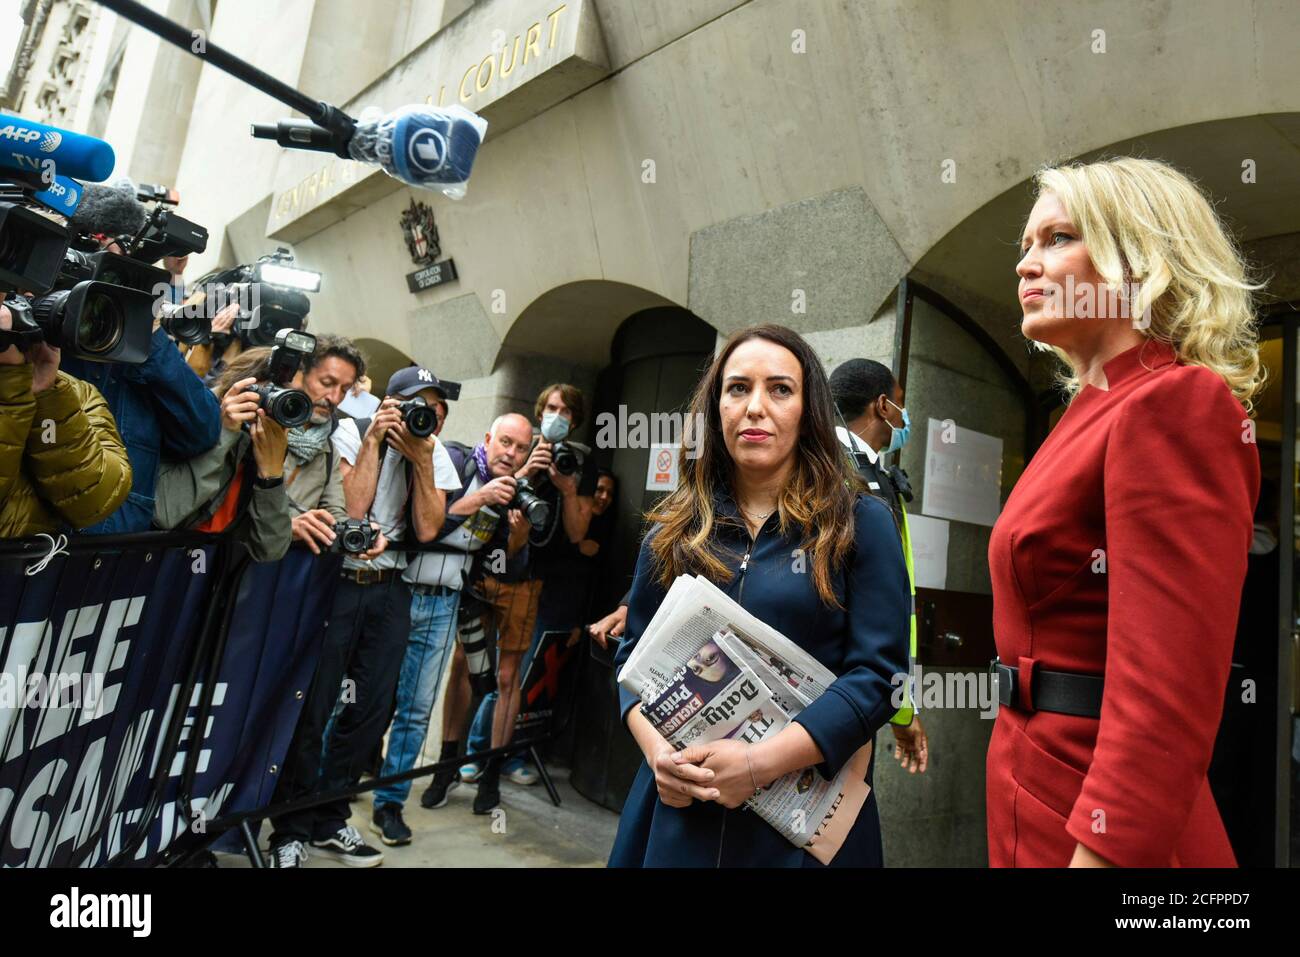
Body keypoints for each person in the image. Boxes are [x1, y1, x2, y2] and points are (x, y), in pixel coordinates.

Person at [988, 157, 1261, 868]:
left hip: (1096, 817)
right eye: (1025, 245)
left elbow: (1168, 696)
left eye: (1056, 238)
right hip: (1034, 779)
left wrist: (1102, 855)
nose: (1026, 263)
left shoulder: (1175, 402)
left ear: (1137, 258)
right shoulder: (1089, 409)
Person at [609, 323, 911, 867]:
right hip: (679, 813)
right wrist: (659, 758)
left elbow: (881, 677)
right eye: (737, 388)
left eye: (779, 389)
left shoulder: (862, 524)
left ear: (808, 409)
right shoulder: (669, 533)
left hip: (799, 825)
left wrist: (758, 764)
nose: (755, 407)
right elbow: (630, 659)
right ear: (715, 408)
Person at [264, 366, 461, 867]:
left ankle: (331, 816)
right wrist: (376, 438)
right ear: (388, 403)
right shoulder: (351, 429)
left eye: (435, 408)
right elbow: (352, 506)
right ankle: (290, 826)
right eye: (415, 403)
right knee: (316, 705)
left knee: (371, 710)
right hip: (339, 583)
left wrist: (420, 461)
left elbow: (428, 526)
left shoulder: (432, 451)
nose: (426, 415)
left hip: (392, 588)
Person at [460, 383, 599, 807]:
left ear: (575, 420)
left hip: (547, 581)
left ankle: (508, 755)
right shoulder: (521, 450)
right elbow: (489, 508)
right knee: (476, 670)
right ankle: (473, 753)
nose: (556, 415)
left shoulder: (579, 464)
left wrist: (568, 487)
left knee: (519, 675)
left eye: (565, 411)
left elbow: (578, 534)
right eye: (550, 407)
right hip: (498, 571)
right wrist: (528, 469)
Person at [58, 184, 222, 533]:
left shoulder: (148, 345)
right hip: (39, 540)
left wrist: (147, 334)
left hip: (119, 547)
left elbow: (201, 432)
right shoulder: (44, 331)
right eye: (102, 251)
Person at [410, 414, 539, 816]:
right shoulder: (462, 464)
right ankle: (447, 767)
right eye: (505, 443)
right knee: (463, 665)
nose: (511, 453)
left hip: (519, 584)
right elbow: (432, 523)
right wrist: (484, 498)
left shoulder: (532, 480)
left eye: (520, 447)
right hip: (476, 582)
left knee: (506, 677)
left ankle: (490, 774)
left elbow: (521, 559)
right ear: (489, 439)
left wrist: (520, 538)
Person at [829, 359, 929, 774]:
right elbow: (893, 607)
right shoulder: (859, 479)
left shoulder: (869, 475)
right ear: (883, 406)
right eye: (901, 405)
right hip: (848, 693)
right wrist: (901, 709)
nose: (904, 418)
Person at [0, 302, 132, 537]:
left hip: (27, 570)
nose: (22, 308)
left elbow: (95, 500)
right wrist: (9, 388)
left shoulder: (74, 393)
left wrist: (46, 394)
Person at [152, 354, 293, 562]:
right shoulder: (191, 421)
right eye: (267, 394)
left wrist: (271, 477)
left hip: (202, 576)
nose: (272, 407)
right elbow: (165, 514)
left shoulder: (263, 451)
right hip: (150, 565)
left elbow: (271, 549)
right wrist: (225, 432)